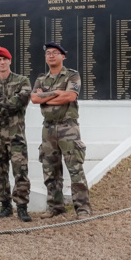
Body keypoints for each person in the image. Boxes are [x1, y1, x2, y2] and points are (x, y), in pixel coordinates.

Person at [30, 42, 92, 219]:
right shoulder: (41, 79)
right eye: (48, 53)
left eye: (55, 53)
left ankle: (82, 208)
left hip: (68, 127)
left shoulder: (72, 75)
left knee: (75, 169)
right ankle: (55, 206)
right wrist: (57, 94)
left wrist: (46, 97)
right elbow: (34, 98)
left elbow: (70, 96)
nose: (51, 55)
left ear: (63, 56)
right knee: (50, 169)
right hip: (48, 128)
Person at [0, 47, 32, 222]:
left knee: (21, 170)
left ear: (10, 61)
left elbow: (22, 99)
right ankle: (5, 205)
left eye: (5, 59)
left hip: (16, 134)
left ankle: (22, 207)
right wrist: (10, 103)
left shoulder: (22, 80)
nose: (2, 62)